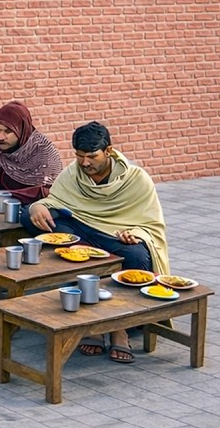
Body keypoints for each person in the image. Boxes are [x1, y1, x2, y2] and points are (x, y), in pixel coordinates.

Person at [23, 121, 170, 364]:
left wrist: (135, 233)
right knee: (30, 217)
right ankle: (91, 315)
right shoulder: (73, 173)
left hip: (115, 237)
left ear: (108, 151)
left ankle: (120, 327)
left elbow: (151, 225)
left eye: (92, 156)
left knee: (137, 256)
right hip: (83, 231)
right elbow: (54, 201)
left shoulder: (136, 179)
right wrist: (37, 206)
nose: (84, 163)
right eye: (79, 156)